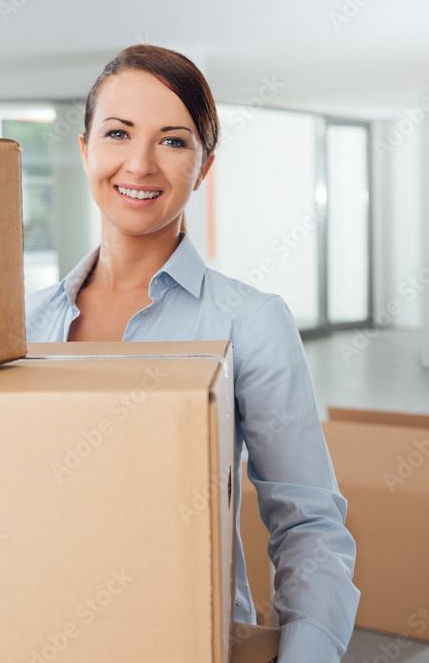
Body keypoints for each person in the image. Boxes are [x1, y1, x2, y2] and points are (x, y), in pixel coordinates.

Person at [25, 44, 359, 662]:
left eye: (173, 141)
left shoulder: (250, 323)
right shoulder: (25, 322)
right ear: (84, 150)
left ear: (203, 167)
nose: (140, 163)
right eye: (118, 133)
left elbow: (309, 525)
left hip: (189, 640)